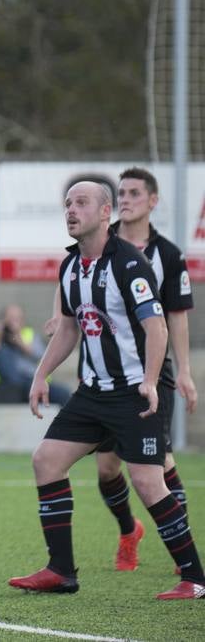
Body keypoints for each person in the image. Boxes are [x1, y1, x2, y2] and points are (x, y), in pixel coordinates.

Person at [9, 181, 205, 600]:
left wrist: (151, 380)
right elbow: (67, 329)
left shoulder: (129, 264)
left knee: (148, 482)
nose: (71, 210)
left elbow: (157, 329)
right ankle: (61, 571)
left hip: (135, 392)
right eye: (67, 204)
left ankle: (195, 577)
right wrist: (41, 374)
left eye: (81, 203)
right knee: (46, 461)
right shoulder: (70, 267)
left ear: (105, 213)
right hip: (93, 393)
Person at [94, 167, 195, 573]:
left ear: (153, 201)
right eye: (122, 192)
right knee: (106, 468)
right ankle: (127, 531)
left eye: (135, 193)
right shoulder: (100, 242)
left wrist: (184, 371)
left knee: (162, 463)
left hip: (151, 375)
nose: (126, 198)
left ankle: (182, 548)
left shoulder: (168, 255)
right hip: (104, 375)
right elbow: (69, 282)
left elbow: (177, 317)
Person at [0, 306, 70, 404]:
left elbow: (44, 357)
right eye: (10, 319)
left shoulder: (29, 334)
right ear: (2, 321)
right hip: (2, 386)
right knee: (3, 353)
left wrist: (20, 342)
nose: (14, 324)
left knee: (63, 394)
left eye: (18, 319)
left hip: (30, 382)